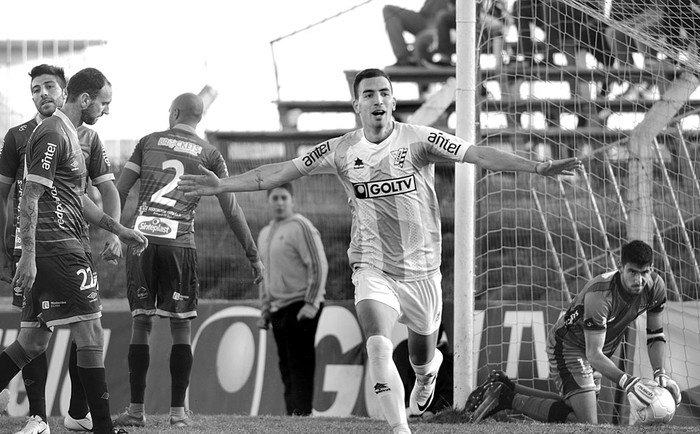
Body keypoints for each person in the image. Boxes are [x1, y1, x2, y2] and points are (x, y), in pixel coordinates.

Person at [178, 68, 581, 433]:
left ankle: (426, 375)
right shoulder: (338, 150)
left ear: (391, 101)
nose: (377, 99)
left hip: (423, 272)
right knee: (377, 342)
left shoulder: (420, 139)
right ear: (357, 104)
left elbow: (474, 153)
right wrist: (222, 186)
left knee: (423, 358)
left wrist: (536, 167)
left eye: (383, 93)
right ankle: (399, 429)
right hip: (373, 267)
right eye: (368, 94)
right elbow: (276, 173)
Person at [0, 66, 148, 434]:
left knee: (32, 341)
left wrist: (120, 230)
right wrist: (29, 255)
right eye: (104, 102)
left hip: (54, 248)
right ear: (84, 99)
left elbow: (78, 198)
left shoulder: (72, 135)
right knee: (91, 335)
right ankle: (102, 428)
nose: (106, 110)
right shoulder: (52, 132)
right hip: (59, 250)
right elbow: (28, 196)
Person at [113, 92, 264, 428]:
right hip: (180, 242)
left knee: (141, 323)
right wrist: (253, 256)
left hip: (141, 240)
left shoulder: (148, 141)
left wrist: (113, 231)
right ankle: (178, 415)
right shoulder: (211, 154)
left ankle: (136, 411)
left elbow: (119, 191)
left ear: (176, 112)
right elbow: (232, 209)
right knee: (181, 328)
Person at [469, 240, 682, 424]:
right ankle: (506, 398)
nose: (639, 280)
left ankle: (507, 387)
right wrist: (628, 382)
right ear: (620, 268)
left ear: (652, 269)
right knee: (586, 422)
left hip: (596, 350)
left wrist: (659, 373)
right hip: (569, 346)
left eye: (644, 272)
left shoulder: (656, 288)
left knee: (572, 407)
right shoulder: (600, 296)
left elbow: (655, 334)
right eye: (632, 272)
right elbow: (593, 354)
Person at [256, 182, 328, 416]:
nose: (279, 202)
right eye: (275, 198)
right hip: (278, 308)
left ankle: (302, 416)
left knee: (301, 363)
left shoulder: (301, 226)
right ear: (268, 201)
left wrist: (311, 303)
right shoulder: (265, 233)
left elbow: (318, 265)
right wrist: (265, 309)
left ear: (292, 200)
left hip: (300, 304)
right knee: (285, 365)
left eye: (283, 198)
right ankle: (292, 416)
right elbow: (265, 274)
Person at [383, 0, 452, 68]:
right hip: (424, 18)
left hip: (442, 22)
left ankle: (414, 57)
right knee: (388, 10)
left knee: (422, 38)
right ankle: (403, 58)